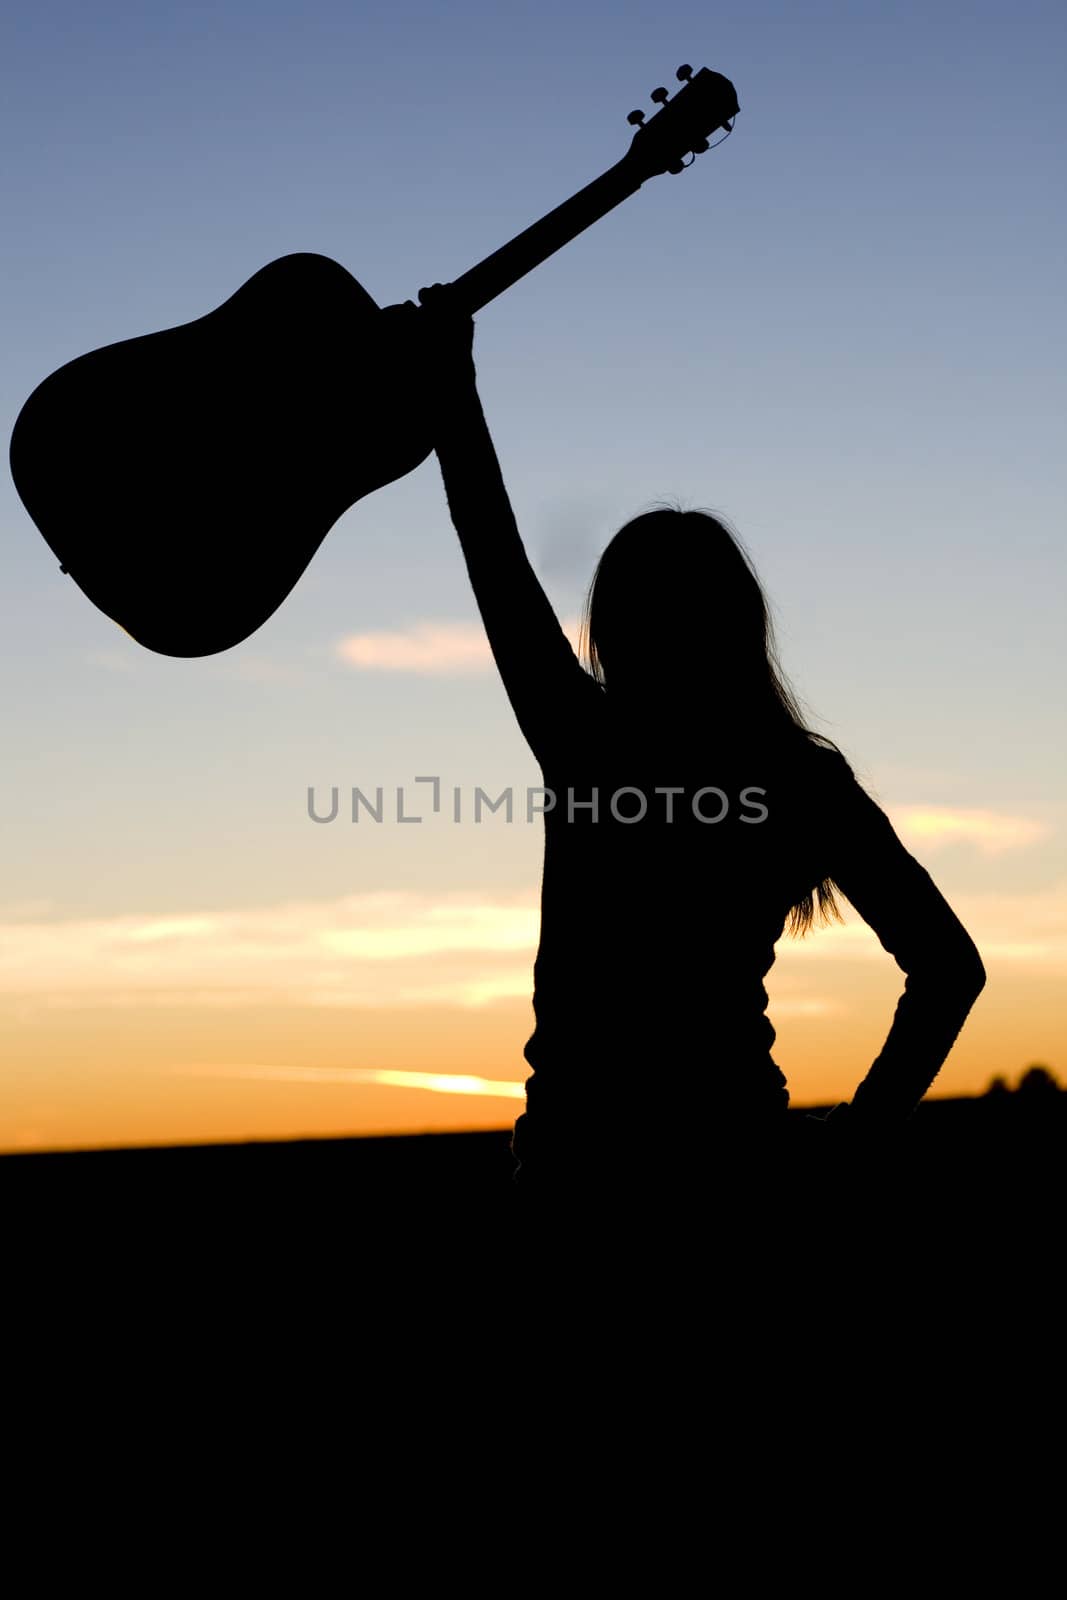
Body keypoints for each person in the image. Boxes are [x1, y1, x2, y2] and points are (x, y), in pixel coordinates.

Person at [407, 283, 986, 1219]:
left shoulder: (584, 740)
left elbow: (491, 549)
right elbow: (949, 967)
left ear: (617, 630)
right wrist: (859, 1137)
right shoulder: (796, 778)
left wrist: (451, 387)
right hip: (738, 1175)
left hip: (578, 1187)